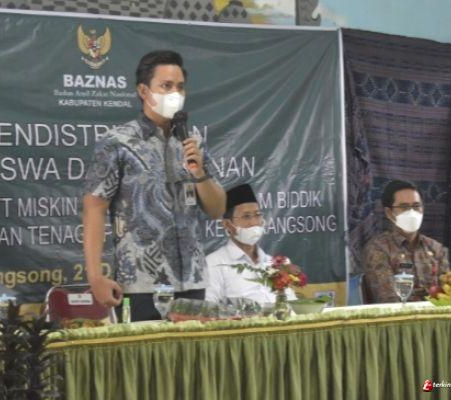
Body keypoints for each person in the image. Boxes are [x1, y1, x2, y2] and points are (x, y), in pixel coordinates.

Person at [82, 50, 226, 321]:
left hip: (192, 281)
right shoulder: (117, 142)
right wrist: (95, 276)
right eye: (166, 86)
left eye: (180, 87)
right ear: (143, 91)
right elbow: (94, 208)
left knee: (193, 350)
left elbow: (217, 209)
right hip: (140, 284)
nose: (175, 94)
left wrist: (200, 173)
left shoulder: (193, 141)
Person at [206, 183, 295, 305]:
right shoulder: (213, 264)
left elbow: (291, 302)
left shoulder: (273, 263)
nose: (254, 222)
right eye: (246, 217)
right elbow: (208, 309)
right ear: (227, 224)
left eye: (257, 215)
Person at [362, 179, 449, 303]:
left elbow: (449, 294)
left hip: (436, 314)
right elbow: (388, 300)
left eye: (416, 206)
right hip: (398, 314)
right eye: (404, 207)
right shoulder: (378, 249)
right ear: (389, 213)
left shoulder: (436, 249)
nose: (412, 212)